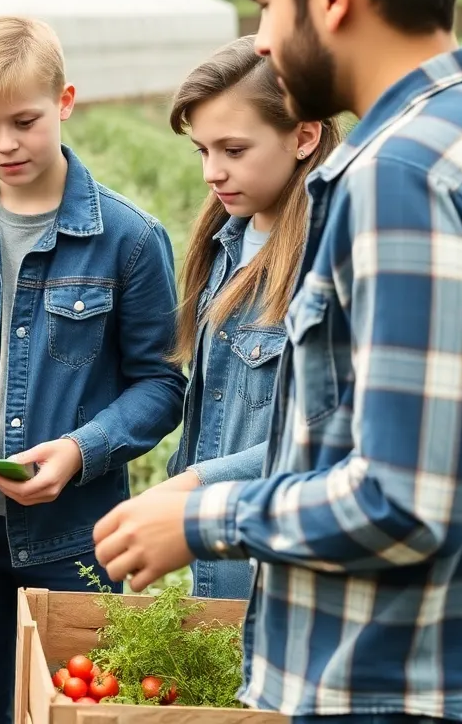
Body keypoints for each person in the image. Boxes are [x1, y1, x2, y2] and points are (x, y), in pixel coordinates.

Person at [93, 0, 462, 722]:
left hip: (388, 680)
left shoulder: (401, 175)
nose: (262, 37)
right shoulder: (460, 135)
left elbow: (405, 501)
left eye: (267, 2)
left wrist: (201, 515)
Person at [0, 15, 187, 723]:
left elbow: (161, 384)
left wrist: (80, 451)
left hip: (73, 535)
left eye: (24, 121)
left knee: (70, 704)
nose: (5, 145)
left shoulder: (129, 239)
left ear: (65, 101)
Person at [147, 36, 340, 600]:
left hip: (285, 568)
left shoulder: (328, 257)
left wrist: (195, 483)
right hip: (220, 558)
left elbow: (329, 432)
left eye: (233, 150)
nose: (212, 172)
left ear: (303, 136)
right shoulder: (225, 242)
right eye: (203, 151)